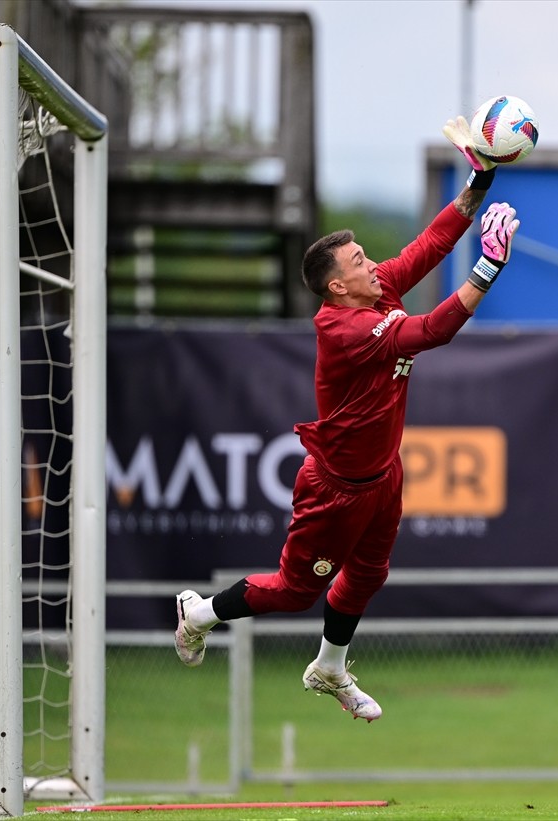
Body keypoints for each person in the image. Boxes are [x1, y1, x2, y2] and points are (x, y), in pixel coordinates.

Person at [172, 113, 522, 722]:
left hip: (382, 475)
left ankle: (329, 668)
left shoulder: (373, 290)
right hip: (334, 489)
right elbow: (434, 330)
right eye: (359, 260)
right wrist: (488, 266)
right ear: (337, 286)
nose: (371, 264)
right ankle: (200, 613)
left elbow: (428, 245)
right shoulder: (348, 329)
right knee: (295, 589)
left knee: (369, 573)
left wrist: (480, 180)